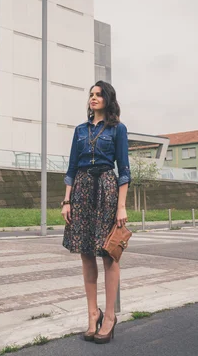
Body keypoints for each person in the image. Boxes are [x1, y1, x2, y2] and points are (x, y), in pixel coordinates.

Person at [61, 81, 131, 344]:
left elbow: (124, 171)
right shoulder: (80, 131)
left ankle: (110, 316)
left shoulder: (117, 129)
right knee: (85, 252)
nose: (93, 98)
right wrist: (66, 201)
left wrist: (121, 206)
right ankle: (93, 314)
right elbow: (70, 169)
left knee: (109, 253)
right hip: (80, 189)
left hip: (106, 189)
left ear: (108, 99)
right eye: (91, 94)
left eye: (98, 94)